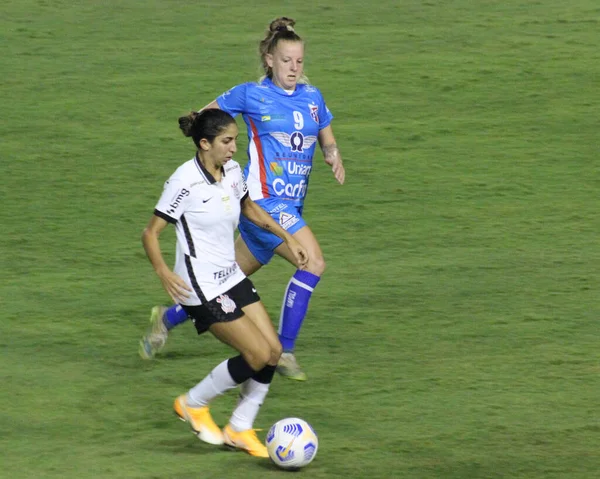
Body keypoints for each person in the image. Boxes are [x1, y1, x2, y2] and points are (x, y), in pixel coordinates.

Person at [139, 17, 345, 381]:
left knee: (218, 284)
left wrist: (332, 154)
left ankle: (166, 319)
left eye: (299, 61)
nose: (294, 68)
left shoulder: (313, 98)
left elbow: (324, 130)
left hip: (287, 208)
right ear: (269, 59)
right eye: (286, 61)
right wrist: (194, 123)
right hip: (263, 203)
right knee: (313, 262)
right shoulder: (251, 94)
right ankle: (285, 350)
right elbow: (209, 115)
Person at [142, 108, 308, 457]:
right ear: (205, 144)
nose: (234, 148)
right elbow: (151, 233)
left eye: (235, 140)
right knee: (257, 353)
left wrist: (287, 237)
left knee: (274, 352)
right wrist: (163, 272)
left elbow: (249, 208)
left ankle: (239, 428)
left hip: (229, 274)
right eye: (227, 141)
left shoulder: (231, 172)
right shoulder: (184, 181)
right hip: (199, 284)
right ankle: (193, 403)